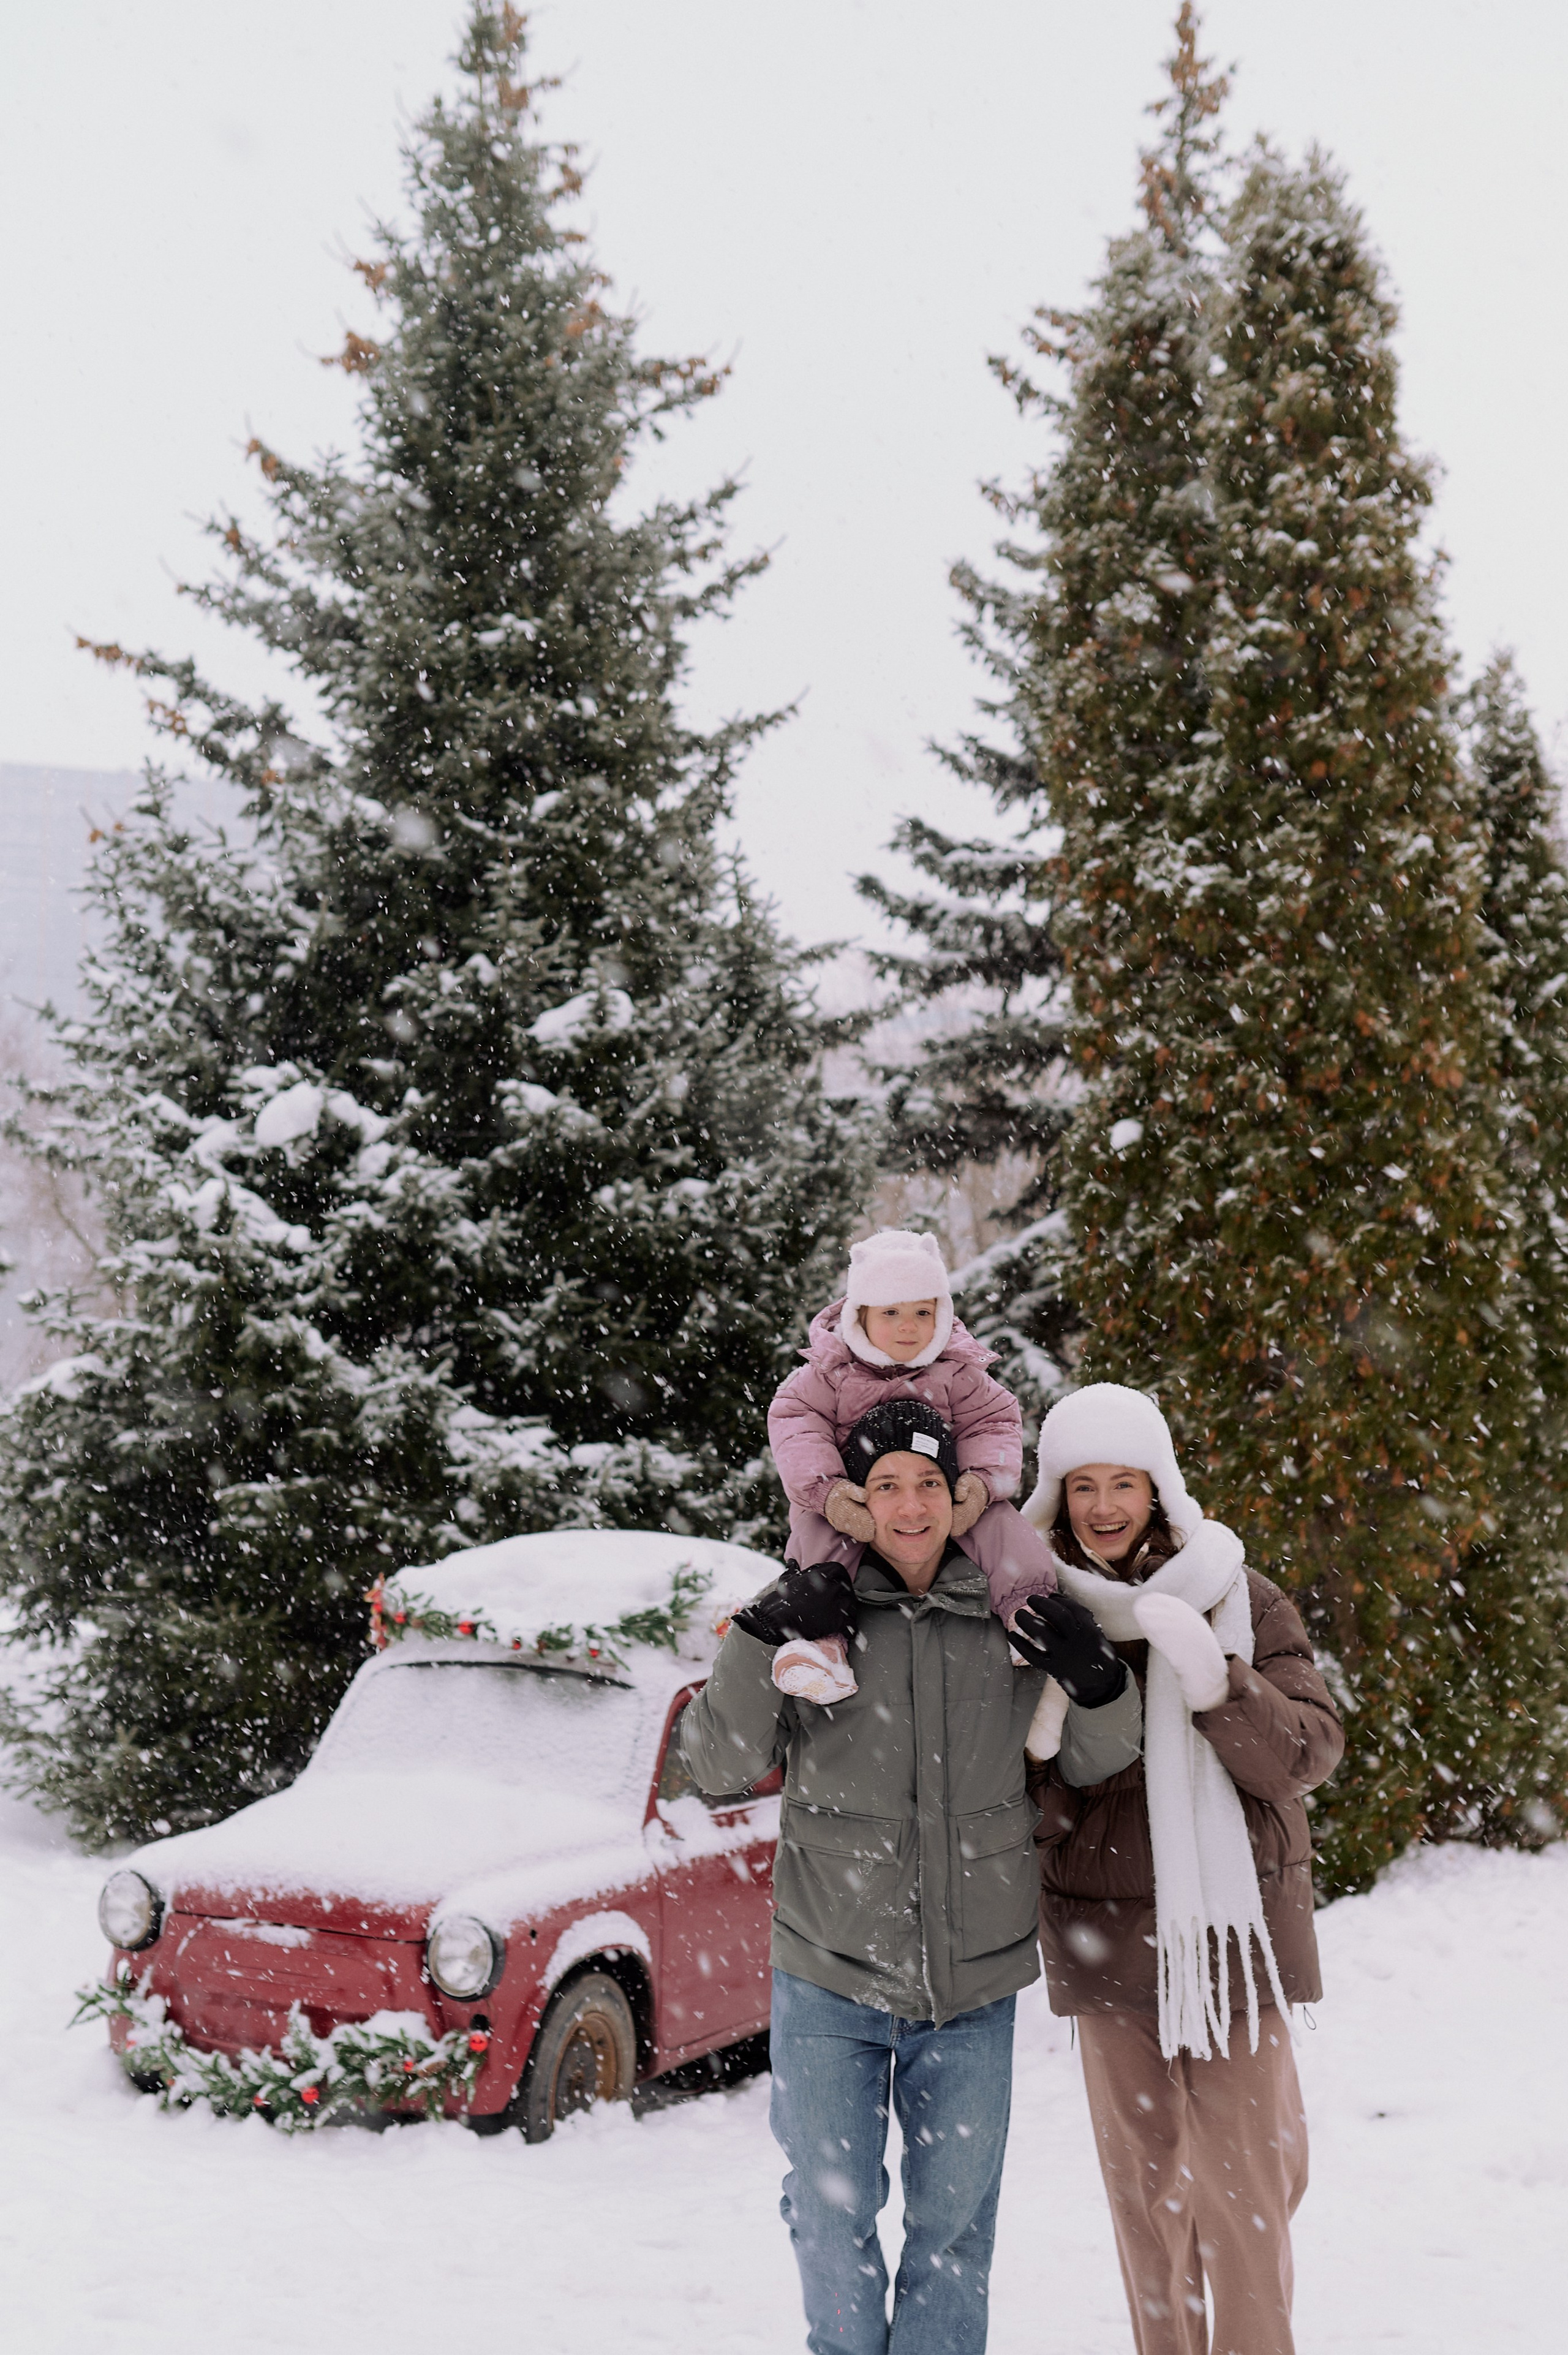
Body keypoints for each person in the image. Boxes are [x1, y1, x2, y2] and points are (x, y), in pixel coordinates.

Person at [681, 1398, 1144, 2355]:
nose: (909, 1504)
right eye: (884, 1484)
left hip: (973, 1979)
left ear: (959, 1492)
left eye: (928, 1482)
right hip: (829, 1971)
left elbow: (1092, 1761)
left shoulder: (1010, 1606)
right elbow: (718, 1766)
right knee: (828, 2211)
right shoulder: (821, 1612)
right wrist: (761, 1634)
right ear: (854, 1499)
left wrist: (1098, 1681)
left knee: (954, 2233)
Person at [1010, 1383, 1344, 2355]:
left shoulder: (1238, 1592)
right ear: (1057, 1496)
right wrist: (1050, 1727)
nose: (1105, 1507)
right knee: (1147, 2198)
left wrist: (1218, 1685)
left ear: (1161, 1490)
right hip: (1105, 1942)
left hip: (1237, 1941)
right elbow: (1012, 1808)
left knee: (1252, 2185)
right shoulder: (1032, 1616)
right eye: (1083, 1486)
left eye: (1124, 1483)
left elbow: (1305, 1756)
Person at [766, 1228, 1059, 1704]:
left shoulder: (956, 1373)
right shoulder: (829, 1373)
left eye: (923, 1312)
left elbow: (995, 1423)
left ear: (942, 1313)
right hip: (853, 1499)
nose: (908, 1326)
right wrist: (829, 1493)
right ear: (859, 1316)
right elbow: (796, 1425)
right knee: (817, 1539)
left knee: (1002, 1526)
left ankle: (1027, 1612)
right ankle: (820, 1643)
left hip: (939, 1499)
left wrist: (981, 1485)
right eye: (891, 1313)